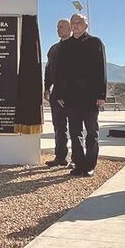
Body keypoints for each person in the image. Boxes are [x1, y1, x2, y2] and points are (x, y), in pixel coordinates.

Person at [54, 13, 107, 177]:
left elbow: (101, 70)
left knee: (91, 132)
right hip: (71, 97)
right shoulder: (65, 45)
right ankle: (79, 164)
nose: (75, 25)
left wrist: (101, 95)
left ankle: (90, 165)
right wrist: (60, 94)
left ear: (86, 25)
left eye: (79, 22)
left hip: (91, 97)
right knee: (75, 132)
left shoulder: (95, 42)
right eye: (73, 22)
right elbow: (60, 72)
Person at [44, 18, 72, 168]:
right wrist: (46, 88)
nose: (58, 29)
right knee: (59, 127)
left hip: (72, 94)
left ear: (70, 29)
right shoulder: (53, 49)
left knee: (75, 128)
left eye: (62, 26)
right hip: (56, 95)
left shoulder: (76, 47)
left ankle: (77, 159)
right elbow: (48, 71)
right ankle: (60, 157)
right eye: (57, 27)